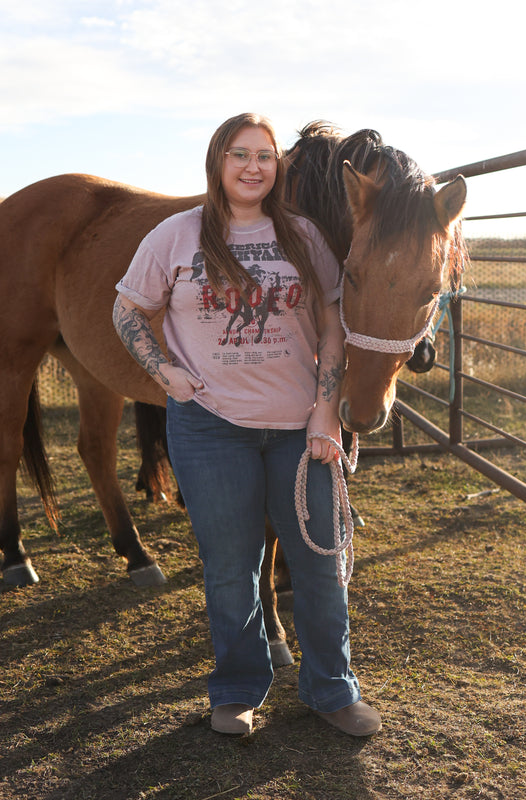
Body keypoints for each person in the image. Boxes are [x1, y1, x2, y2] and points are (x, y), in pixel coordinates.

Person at [113, 112, 381, 737]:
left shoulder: (306, 237)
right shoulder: (175, 236)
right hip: (209, 428)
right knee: (232, 565)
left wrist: (325, 411)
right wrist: (165, 372)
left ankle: (331, 690)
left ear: (276, 166)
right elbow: (127, 308)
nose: (252, 166)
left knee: (319, 561)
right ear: (217, 163)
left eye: (263, 155)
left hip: (299, 429)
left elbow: (333, 327)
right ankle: (236, 690)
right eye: (239, 155)